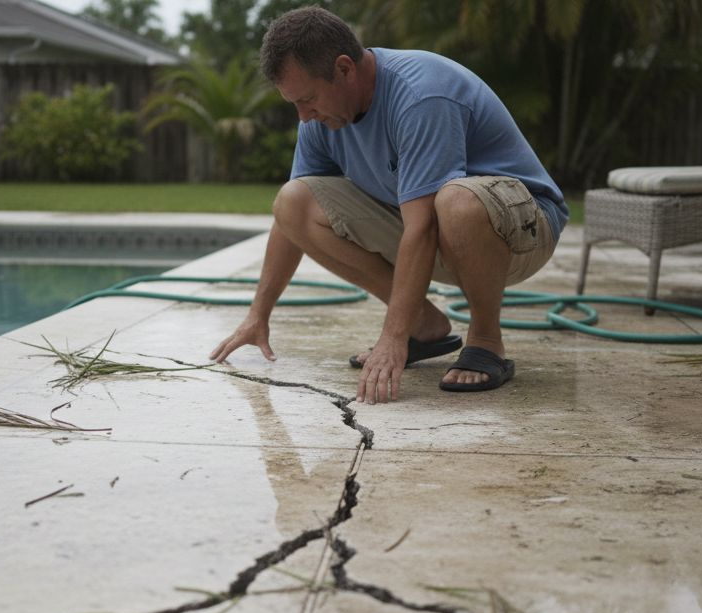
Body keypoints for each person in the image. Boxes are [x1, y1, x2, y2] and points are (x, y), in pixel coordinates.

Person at [209, 6, 568, 405]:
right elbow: (288, 223)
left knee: (456, 201)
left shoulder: (420, 95)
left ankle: (485, 340)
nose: (304, 116)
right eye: (294, 104)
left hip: (521, 230)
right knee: (293, 201)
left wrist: (391, 339)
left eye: (308, 99)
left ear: (345, 69)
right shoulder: (320, 121)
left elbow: (423, 226)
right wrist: (258, 314)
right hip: (437, 230)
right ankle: (423, 325)